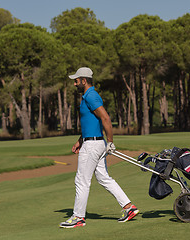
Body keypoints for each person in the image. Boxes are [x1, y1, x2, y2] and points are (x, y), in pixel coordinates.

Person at [59, 67, 139, 229]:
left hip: (94, 146)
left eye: (76, 81)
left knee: (82, 181)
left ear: (84, 80)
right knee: (103, 178)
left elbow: (105, 119)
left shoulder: (91, 96)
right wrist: (80, 141)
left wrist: (110, 141)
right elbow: (92, 123)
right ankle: (129, 207)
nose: (74, 84)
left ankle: (78, 217)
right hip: (92, 142)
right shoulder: (87, 96)